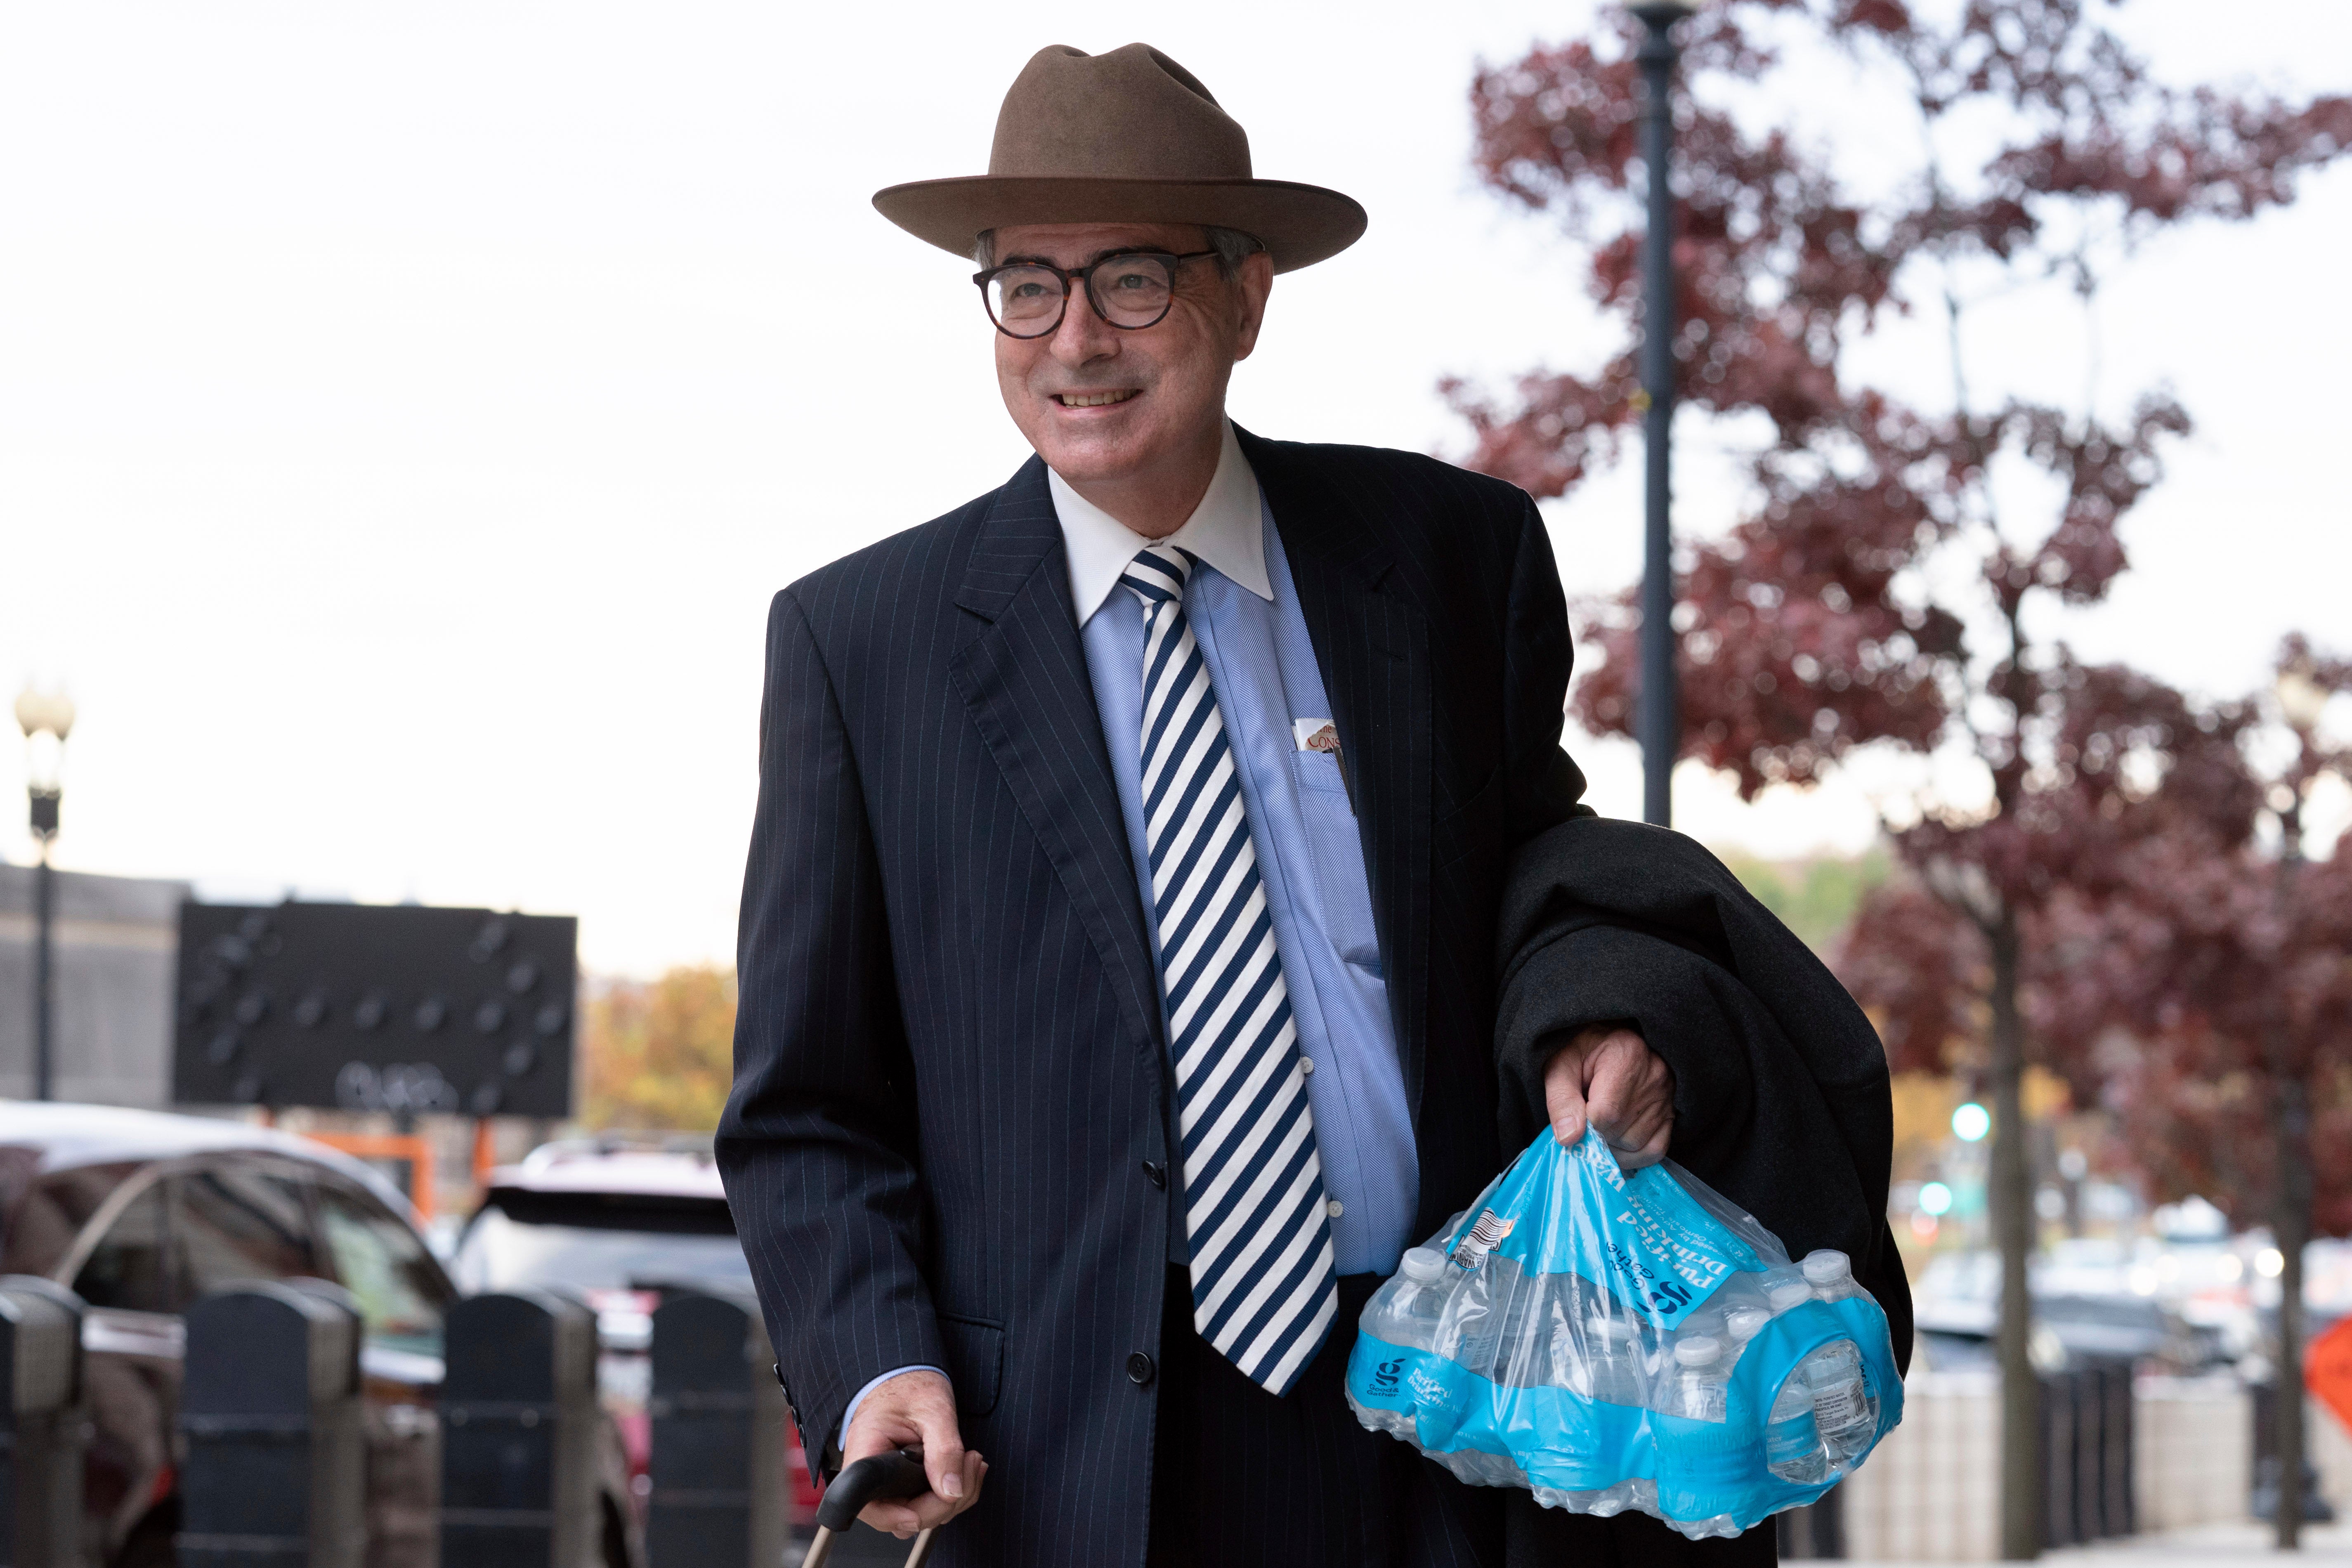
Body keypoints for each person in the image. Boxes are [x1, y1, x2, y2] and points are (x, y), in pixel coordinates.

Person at [718, 43, 1891, 1568]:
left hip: (1467, 1398)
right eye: (1026, 287)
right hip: (1079, 1448)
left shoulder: (1449, 556)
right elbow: (807, 1106)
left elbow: (1539, 869)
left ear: (1245, 294)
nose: (1074, 340)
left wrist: (1603, 1011)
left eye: (1130, 281)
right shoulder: (859, 643)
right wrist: (878, 1361)